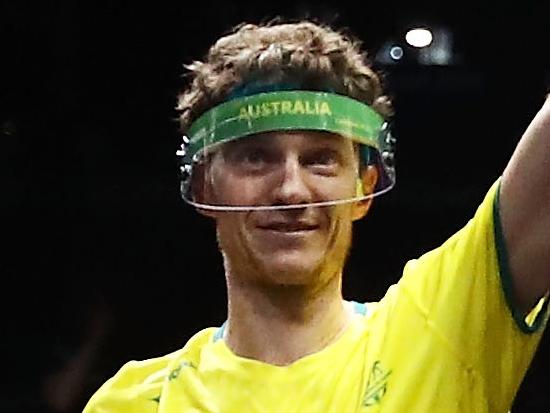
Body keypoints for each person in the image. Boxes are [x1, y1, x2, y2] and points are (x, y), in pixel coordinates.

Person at [83, 20, 549, 412]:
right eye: (256, 158)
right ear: (205, 187)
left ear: (364, 187)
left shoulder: (440, 331)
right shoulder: (134, 402)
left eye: (321, 159)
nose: (291, 189)